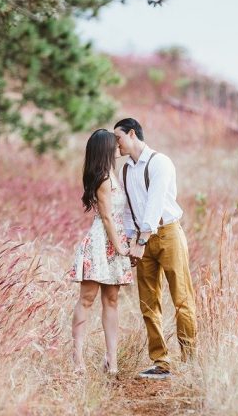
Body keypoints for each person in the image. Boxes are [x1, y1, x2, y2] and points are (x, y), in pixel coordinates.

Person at [114, 117, 198, 380]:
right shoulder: (125, 170)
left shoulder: (159, 162)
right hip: (141, 239)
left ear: (131, 133)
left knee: (181, 298)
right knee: (148, 302)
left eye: (118, 137)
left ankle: (189, 361)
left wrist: (141, 240)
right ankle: (161, 362)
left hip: (168, 233)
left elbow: (154, 202)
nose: (115, 144)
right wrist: (130, 241)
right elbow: (128, 210)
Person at [70, 129, 133, 376]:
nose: (118, 145)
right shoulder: (104, 178)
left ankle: (112, 360)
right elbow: (106, 216)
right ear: (105, 149)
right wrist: (119, 246)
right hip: (101, 242)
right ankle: (78, 360)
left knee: (112, 300)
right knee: (87, 298)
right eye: (113, 143)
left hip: (114, 239)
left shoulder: (113, 174)